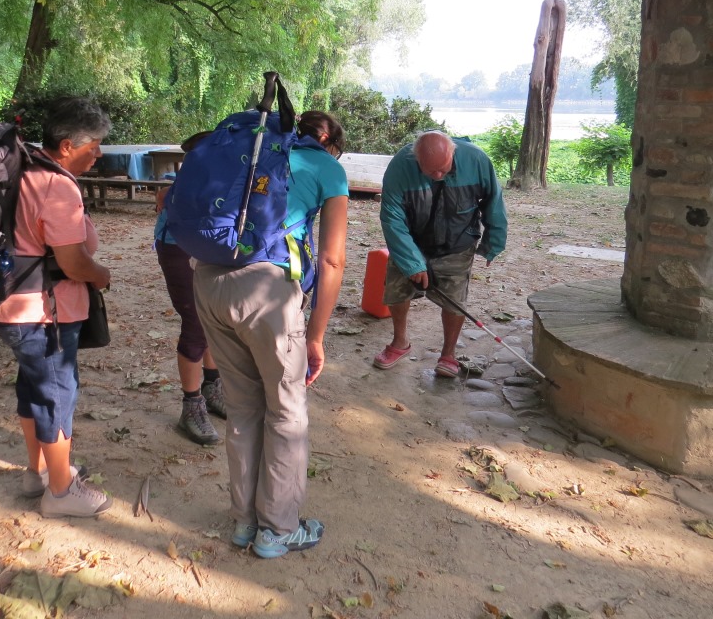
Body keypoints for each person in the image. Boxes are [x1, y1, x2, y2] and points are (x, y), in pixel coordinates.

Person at [192, 110, 348, 559]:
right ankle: (278, 529)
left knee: (242, 405)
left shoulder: (248, 149)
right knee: (286, 410)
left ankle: (245, 522)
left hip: (209, 279)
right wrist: (315, 334)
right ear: (326, 139)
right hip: (266, 291)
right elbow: (333, 261)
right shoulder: (326, 167)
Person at [0, 96, 113, 518]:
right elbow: (73, 261)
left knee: (34, 386)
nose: (99, 153)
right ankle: (60, 491)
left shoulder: (23, 166)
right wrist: (100, 275)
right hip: (43, 309)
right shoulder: (55, 184)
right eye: (93, 145)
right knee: (57, 392)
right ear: (65, 146)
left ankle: (37, 470)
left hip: (10, 303)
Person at [372, 130, 507, 376]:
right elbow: (392, 218)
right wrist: (413, 263)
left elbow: (494, 201)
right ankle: (400, 342)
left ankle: (448, 354)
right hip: (412, 241)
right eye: (430, 170)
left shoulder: (476, 160)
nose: (437, 175)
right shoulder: (401, 166)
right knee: (396, 290)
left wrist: (493, 242)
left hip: (458, 242)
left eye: (443, 169)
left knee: (455, 301)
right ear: (416, 159)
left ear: (453, 152)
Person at [154, 132, 225, 446]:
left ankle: (212, 385)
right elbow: (169, 195)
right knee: (196, 321)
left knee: (213, 317)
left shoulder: (229, 176)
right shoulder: (181, 182)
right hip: (178, 247)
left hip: (214, 248)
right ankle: (191, 404)